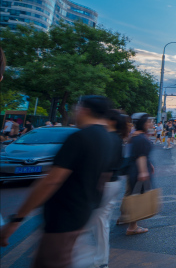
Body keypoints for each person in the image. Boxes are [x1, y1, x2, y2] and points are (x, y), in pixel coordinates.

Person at [0, 96, 114, 268]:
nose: (75, 111)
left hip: (63, 216)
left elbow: (51, 181)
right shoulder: (107, 139)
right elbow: (104, 178)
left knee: (51, 262)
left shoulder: (79, 138)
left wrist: (17, 219)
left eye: (77, 108)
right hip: (82, 213)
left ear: (85, 110)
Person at [73, 109, 127, 268]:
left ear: (111, 121)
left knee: (93, 223)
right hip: (111, 183)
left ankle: (97, 260)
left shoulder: (109, 138)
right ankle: (100, 260)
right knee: (100, 223)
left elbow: (105, 166)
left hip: (105, 183)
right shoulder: (114, 138)